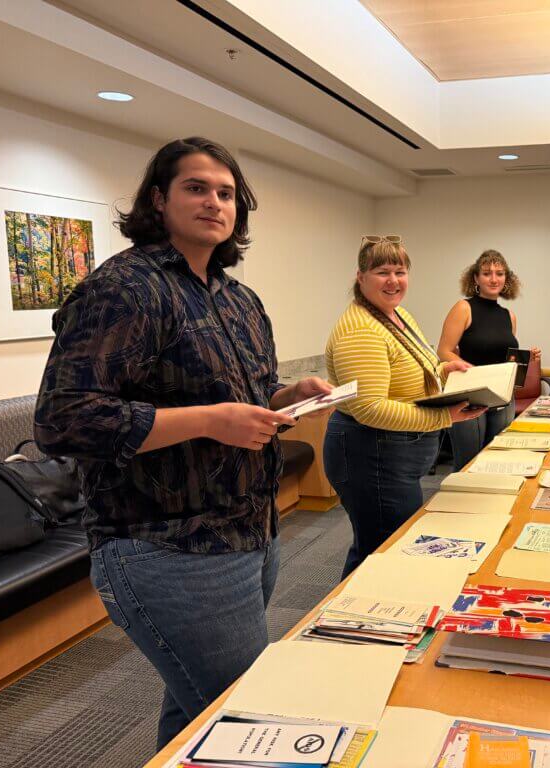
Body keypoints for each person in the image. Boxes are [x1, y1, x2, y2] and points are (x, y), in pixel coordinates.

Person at [34, 137, 332, 751]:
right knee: (249, 725)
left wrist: (284, 396)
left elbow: (236, 392)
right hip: (167, 544)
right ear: (158, 199)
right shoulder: (125, 288)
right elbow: (63, 420)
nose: (214, 203)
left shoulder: (237, 298)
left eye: (226, 193)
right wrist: (207, 421)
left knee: (200, 711)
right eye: (196, 188)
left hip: (251, 531)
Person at [324, 236, 486, 578]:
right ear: (361, 276)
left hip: (395, 454)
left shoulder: (397, 316)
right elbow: (369, 408)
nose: (394, 280)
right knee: (383, 551)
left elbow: (409, 366)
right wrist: (443, 416)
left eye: (400, 271)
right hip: (372, 454)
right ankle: (354, 622)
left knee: (379, 545)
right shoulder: (361, 329)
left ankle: (354, 617)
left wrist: (443, 369)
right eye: (383, 271)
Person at [438, 250, 540, 470]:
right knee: (469, 463)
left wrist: (526, 358)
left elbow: (504, 355)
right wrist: (473, 371)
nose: (494, 279)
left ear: (506, 279)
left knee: (497, 460)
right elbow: (444, 351)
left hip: (502, 395)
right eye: (486, 273)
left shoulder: (508, 315)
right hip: (469, 395)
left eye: (499, 273)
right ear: (475, 278)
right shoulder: (463, 308)